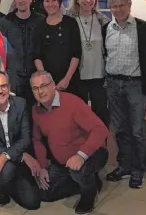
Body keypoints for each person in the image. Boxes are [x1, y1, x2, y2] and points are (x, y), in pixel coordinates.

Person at [31, 70, 109, 214]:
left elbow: (101, 130)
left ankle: (89, 192)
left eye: (44, 86)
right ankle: (86, 182)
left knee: (79, 172)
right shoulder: (36, 110)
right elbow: (37, 140)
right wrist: (42, 166)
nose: (40, 91)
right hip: (63, 162)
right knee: (45, 194)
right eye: (35, 88)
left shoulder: (72, 102)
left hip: (92, 153)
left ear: (53, 85)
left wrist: (81, 155)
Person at [103, 0, 146, 188]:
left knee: (136, 130)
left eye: (121, 5)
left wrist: (140, 80)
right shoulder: (106, 28)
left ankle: (137, 170)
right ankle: (124, 166)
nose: (117, 9)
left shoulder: (142, 28)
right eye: (114, 6)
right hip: (113, 84)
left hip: (135, 85)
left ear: (129, 5)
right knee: (120, 130)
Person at [0, 71, 40, 210]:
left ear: (9, 87)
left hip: (15, 160)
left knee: (33, 202)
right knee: (7, 171)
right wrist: (19, 156)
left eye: (3, 86)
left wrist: (7, 156)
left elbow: (25, 138)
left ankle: (10, 186)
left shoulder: (21, 104)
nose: (0, 90)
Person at [67, 0, 110, 125]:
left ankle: (101, 144)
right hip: (78, 75)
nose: (88, 0)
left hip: (98, 74)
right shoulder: (69, 20)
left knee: (100, 114)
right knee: (79, 114)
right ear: (78, 0)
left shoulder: (103, 21)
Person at [34, 0, 83, 99]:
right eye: (47, 1)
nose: (50, 4)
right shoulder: (39, 25)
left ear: (59, 2)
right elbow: (36, 55)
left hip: (69, 80)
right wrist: (45, 80)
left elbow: (76, 53)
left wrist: (66, 79)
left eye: (53, 0)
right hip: (47, 82)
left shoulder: (70, 23)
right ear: (43, 3)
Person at [0, 0, 44, 105]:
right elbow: (0, 50)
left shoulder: (40, 21)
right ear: (14, 1)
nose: (21, 0)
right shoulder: (5, 22)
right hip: (13, 77)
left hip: (35, 75)